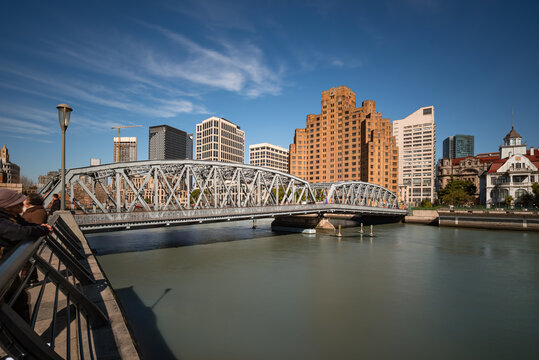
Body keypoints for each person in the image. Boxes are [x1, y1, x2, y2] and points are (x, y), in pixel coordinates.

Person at [0, 189, 52, 323]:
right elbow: (19, 232)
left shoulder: (12, 217)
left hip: (5, 266)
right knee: (16, 301)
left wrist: (41, 228)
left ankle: (24, 337)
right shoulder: (2, 220)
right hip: (3, 268)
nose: (22, 206)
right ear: (8, 206)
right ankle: (22, 338)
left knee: (19, 299)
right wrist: (42, 229)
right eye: (19, 203)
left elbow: (27, 225)